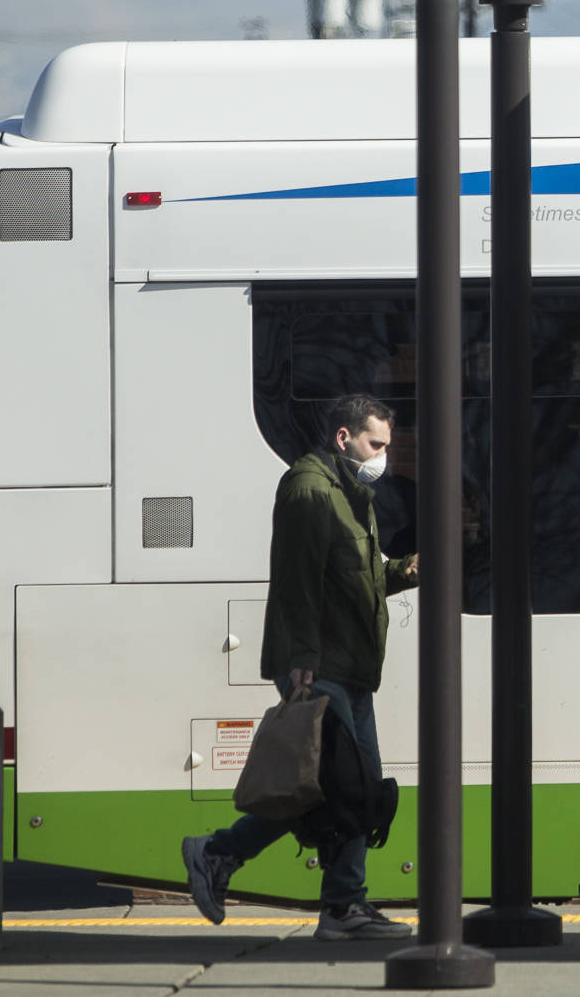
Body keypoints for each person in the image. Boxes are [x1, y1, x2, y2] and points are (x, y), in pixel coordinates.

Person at [182, 394, 418, 940]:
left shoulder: (348, 493)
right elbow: (297, 583)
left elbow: (358, 577)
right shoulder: (309, 489)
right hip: (325, 664)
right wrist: (303, 664)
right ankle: (239, 861)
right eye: (375, 444)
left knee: (348, 791)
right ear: (344, 437)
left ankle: (335, 903)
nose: (383, 455)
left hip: (351, 667)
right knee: (339, 786)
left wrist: (407, 569)